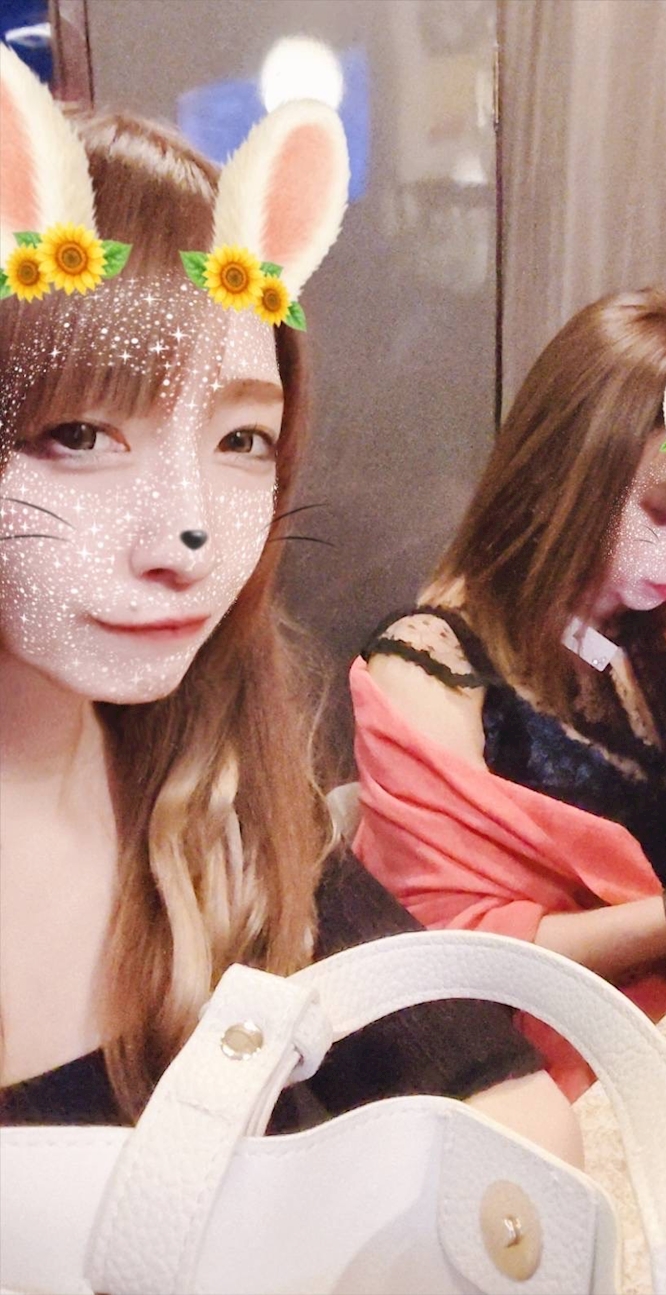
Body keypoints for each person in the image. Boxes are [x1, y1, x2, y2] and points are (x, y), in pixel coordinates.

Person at [0, 47, 580, 1161]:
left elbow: (503, 1105)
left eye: (240, 439)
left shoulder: (214, 798)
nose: (187, 536)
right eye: (81, 433)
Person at [350, 289, 666, 1099]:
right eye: (664, 511)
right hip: (528, 1084)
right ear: (562, 470)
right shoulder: (429, 667)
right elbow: (450, 951)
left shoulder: (663, 642)